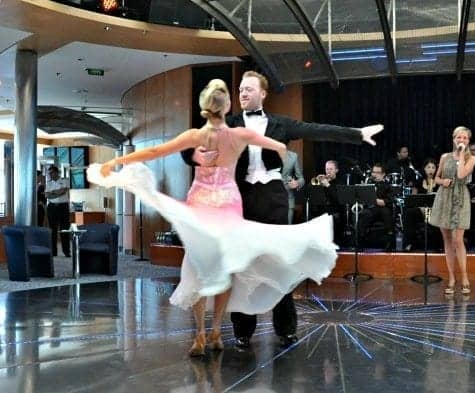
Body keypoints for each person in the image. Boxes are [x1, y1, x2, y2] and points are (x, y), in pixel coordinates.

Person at [90, 79, 339, 356]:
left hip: (202, 205)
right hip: (229, 205)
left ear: (203, 107)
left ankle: (199, 333)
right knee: (226, 267)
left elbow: (153, 151)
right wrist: (280, 153)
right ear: (228, 106)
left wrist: (115, 162)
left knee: (198, 265)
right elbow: (275, 145)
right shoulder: (238, 134)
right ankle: (218, 330)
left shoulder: (196, 135)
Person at [184, 70, 383, 349]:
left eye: (249, 89)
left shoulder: (280, 124)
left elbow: (316, 129)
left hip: (273, 199)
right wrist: (196, 155)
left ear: (263, 94)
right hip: (240, 199)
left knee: (280, 261)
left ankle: (286, 328)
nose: (242, 93)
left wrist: (357, 134)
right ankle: (242, 330)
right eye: (240, 89)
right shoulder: (227, 124)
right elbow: (191, 145)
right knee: (242, 265)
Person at [429, 126, 475, 295]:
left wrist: (462, 155)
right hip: (445, 197)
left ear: (468, 141)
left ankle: (464, 277)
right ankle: (451, 278)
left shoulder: (472, 159)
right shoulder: (444, 157)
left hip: (461, 198)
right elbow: (436, 178)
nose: (461, 140)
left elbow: (462, 174)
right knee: (447, 240)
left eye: (464, 138)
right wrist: (443, 182)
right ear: (453, 139)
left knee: (458, 240)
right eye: (459, 137)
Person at [358, 163, 394, 249]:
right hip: (370, 209)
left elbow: (386, 202)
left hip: (383, 209)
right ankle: (360, 240)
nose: (375, 174)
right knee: (365, 214)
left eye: (378, 172)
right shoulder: (368, 184)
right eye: (373, 172)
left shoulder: (387, 186)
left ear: (383, 174)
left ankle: (389, 240)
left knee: (385, 212)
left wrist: (372, 197)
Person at [45, 165, 71, 257]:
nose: (50, 175)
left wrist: (53, 193)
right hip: (52, 207)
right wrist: (57, 192)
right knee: (52, 230)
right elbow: (47, 196)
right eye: (49, 173)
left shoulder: (65, 180)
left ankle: (66, 251)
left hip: (63, 207)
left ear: (57, 172)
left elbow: (63, 191)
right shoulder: (49, 183)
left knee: (64, 229)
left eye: (51, 172)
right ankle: (53, 252)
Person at [281, 150, 305, 224]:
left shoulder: (293, 156)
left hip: (288, 198)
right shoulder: (265, 153)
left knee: (287, 231)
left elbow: (301, 178)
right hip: (269, 198)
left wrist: (297, 183)